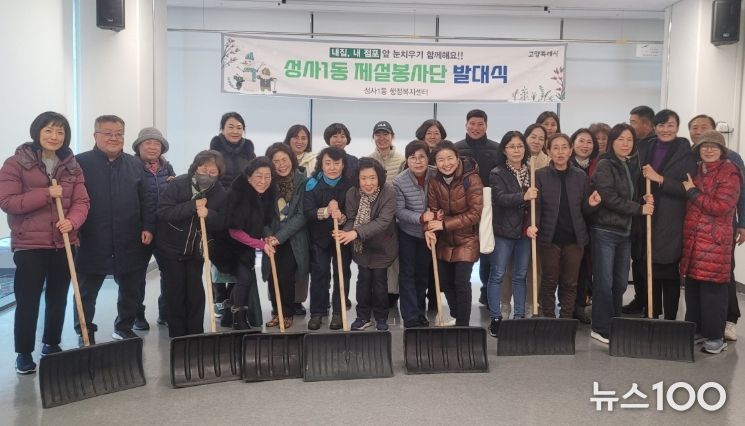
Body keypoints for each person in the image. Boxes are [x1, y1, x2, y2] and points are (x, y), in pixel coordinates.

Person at [0, 112, 90, 374]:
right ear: (37, 132)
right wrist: (46, 194)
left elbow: (82, 201)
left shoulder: (72, 166)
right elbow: (7, 202)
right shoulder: (16, 163)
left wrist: (72, 221)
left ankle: (52, 343)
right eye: (49, 130)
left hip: (64, 242)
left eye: (60, 132)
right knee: (27, 300)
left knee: (58, 296)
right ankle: (24, 353)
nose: (54, 136)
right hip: (30, 245)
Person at [74, 115, 153, 343]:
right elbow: (71, 200)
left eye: (119, 134)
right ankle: (85, 331)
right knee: (86, 291)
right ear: (95, 135)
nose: (114, 138)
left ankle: (124, 327)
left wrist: (148, 226)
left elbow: (146, 199)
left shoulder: (135, 164)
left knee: (131, 288)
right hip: (91, 238)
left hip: (129, 237)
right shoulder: (80, 163)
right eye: (108, 133)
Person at [589, 123, 653, 344]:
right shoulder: (605, 164)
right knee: (604, 282)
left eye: (629, 140)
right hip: (605, 231)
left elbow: (628, 195)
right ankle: (600, 326)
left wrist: (643, 199)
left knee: (620, 282)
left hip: (624, 232)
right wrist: (639, 209)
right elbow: (609, 197)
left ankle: (615, 321)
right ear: (612, 142)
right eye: (620, 139)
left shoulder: (630, 164)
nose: (625, 144)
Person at [680, 130, 741, 354]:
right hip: (694, 239)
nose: (708, 150)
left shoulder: (730, 172)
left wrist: (693, 192)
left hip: (715, 241)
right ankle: (696, 330)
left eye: (713, 147)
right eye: (704, 146)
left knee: (713, 291)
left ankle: (715, 336)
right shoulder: (696, 169)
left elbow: (721, 207)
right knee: (693, 288)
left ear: (722, 150)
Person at [156, 150, 226, 337]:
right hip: (171, 247)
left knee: (195, 291)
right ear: (195, 167)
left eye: (213, 171)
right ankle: (177, 334)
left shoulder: (219, 192)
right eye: (203, 169)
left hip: (197, 250)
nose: (207, 174)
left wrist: (209, 214)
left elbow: (223, 222)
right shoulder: (179, 184)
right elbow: (163, 212)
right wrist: (192, 206)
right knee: (175, 291)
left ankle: (195, 333)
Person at [531, 133, 600, 320]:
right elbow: (536, 207)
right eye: (555, 148)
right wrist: (533, 225)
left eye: (564, 147)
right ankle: (549, 320)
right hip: (549, 238)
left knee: (570, 283)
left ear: (570, 151)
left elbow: (584, 208)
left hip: (575, 239)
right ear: (548, 151)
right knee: (549, 280)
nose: (560, 152)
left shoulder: (580, 176)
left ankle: (566, 320)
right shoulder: (540, 175)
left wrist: (591, 204)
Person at [638, 109, 697, 320]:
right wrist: (642, 196)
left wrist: (660, 179)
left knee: (669, 268)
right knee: (648, 266)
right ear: (654, 127)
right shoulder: (645, 147)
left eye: (670, 125)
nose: (665, 129)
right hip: (647, 213)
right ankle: (651, 314)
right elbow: (638, 178)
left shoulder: (686, 152)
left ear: (677, 127)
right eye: (661, 125)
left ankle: (670, 319)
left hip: (672, 217)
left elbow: (687, 188)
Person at [425, 142, 483, 327]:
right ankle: (457, 316)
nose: (446, 163)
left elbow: (475, 214)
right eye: (441, 160)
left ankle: (463, 326)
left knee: (461, 281)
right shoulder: (434, 181)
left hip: (467, 238)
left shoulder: (471, 179)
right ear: (435, 163)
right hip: (444, 240)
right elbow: (433, 210)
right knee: (446, 282)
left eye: (450, 158)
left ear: (457, 159)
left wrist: (444, 224)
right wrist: (429, 229)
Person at [336, 158, 398, 331]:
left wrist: (354, 233)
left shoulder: (389, 192)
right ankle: (362, 317)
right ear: (358, 179)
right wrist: (344, 232)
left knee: (379, 282)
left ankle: (381, 318)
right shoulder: (352, 193)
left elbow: (383, 222)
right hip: (361, 247)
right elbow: (351, 219)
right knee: (363, 281)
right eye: (363, 178)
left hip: (383, 245)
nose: (368, 183)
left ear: (379, 178)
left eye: (372, 178)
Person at [208, 112, 257, 323]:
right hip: (219, 209)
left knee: (241, 257)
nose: (235, 131)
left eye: (239, 127)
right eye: (230, 126)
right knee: (219, 256)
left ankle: (233, 301)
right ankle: (220, 298)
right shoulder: (213, 152)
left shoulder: (250, 152)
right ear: (222, 129)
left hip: (243, 212)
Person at [486, 131, 535, 336]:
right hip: (503, 231)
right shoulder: (497, 173)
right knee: (497, 274)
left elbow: (536, 204)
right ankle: (496, 318)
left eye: (520, 146)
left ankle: (519, 317)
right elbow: (500, 198)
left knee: (521, 275)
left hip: (524, 231)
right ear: (504, 150)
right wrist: (523, 196)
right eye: (512, 146)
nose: (516, 150)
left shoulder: (532, 172)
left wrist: (532, 224)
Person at [453, 109, 502, 309]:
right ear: (466, 125)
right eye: (472, 124)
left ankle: (487, 293)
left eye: (480, 124)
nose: (476, 128)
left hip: (489, 209)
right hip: (463, 210)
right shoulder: (456, 149)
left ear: (486, 126)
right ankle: (460, 298)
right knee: (464, 254)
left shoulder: (497, 149)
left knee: (487, 253)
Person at [304, 147, 353, 330]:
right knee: (320, 271)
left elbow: (352, 213)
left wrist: (341, 217)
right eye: (328, 163)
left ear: (343, 165)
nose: (332, 167)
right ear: (321, 165)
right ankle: (318, 312)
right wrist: (326, 211)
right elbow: (308, 212)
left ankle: (339, 312)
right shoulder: (312, 184)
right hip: (319, 237)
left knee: (342, 272)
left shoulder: (350, 185)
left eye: (337, 163)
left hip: (342, 237)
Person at [223, 157, 276, 329]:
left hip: (247, 245)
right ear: (249, 176)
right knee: (245, 278)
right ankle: (238, 319)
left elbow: (263, 222)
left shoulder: (266, 193)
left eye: (267, 176)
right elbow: (234, 231)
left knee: (244, 278)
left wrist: (266, 236)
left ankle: (228, 315)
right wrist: (261, 245)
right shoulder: (238, 194)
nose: (263, 181)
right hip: (228, 244)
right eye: (259, 176)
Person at [132, 127, 176, 329]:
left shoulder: (168, 168)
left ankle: (165, 312)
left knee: (168, 272)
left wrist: (176, 184)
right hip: (140, 230)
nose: (152, 147)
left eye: (157, 143)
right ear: (139, 146)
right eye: (147, 143)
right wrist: (144, 226)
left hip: (165, 229)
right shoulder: (131, 167)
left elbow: (175, 197)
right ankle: (137, 314)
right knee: (137, 274)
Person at [261, 143, 309, 328]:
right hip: (271, 236)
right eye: (276, 161)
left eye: (284, 159)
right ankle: (276, 312)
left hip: (293, 236)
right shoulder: (267, 181)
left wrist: (280, 237)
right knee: (272, 273)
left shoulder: (302, 181)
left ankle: (287, 313)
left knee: (286, 274)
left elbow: (302, 215)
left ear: (292, 159)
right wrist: (268, 235)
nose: (281, 165)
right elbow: (262, 214)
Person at [394, 141, 436, 328]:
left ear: (428, 158)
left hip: (430, 233)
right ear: (407, 160)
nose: (418, 162)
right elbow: (399, 211)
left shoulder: (436, 174)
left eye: (422, 157)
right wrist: (420, 217)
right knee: (407, 274)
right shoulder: (399, 181)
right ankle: (410, 316)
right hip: (408, 233)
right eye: (413, 158)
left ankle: (420, 312)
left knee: (422, 274)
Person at [366, 121, 405, 308]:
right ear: (373, 137)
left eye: (386, 134)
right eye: (378, 134)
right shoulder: (367, 160)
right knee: (375, 255)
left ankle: (392, 293)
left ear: (392, 136)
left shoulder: (402, 159)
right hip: (373, 218)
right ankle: (376, 292)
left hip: (395, 217)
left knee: (394, 257)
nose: (382, 138)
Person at [622, 105, 657, 315]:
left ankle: (649, 303)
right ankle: (640, 298)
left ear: (646, 123)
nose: (631, 125)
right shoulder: (635, 146)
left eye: (633, 122)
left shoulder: (654, 146)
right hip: (635, 210)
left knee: (645, 259)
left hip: (649, 211)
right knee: (638, 258)